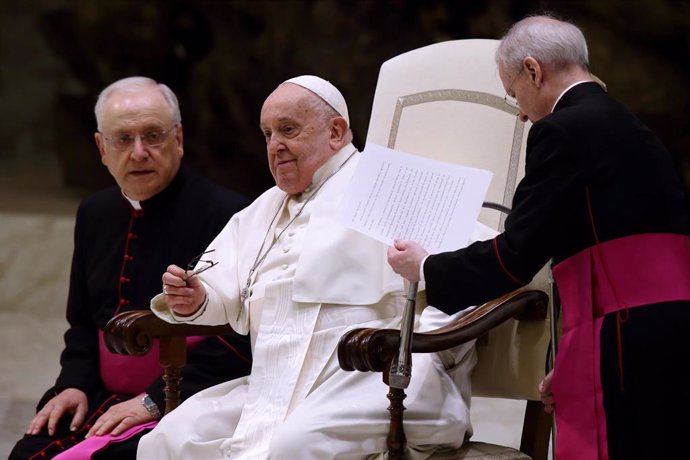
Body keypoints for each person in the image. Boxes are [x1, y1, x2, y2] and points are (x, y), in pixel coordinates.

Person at [388, 14, 690, 460]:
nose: (524, 114)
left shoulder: (561, 130)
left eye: (515, 97)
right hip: (670, 332)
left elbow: (516, 256)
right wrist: (574, 361)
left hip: (622, 341)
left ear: (533, 70)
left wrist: (428, 266)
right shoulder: (633, 126)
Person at [136, 75, 477, 459]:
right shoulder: (262, 209)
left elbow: (475, 269)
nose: (274, 146)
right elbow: (219, 292)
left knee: (293, 447)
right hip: (275, 384)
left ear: (336, 132)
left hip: (371, 380)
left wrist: (424, 348)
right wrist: (195, 297)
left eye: (288, 130)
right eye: (267, 134)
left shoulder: (392, 186)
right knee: (167, 438)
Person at [10, 76, 252, 460]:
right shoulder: (94, 213)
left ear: (179, 139)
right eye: (123, 139)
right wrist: (73, 385)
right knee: (29, 452)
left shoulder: (232, 216)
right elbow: (84, 325)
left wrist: (153, 400)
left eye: (153, 135)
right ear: (101, 147)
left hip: (187, 397)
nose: (139, 152)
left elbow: (243, 337)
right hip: (98, 396)